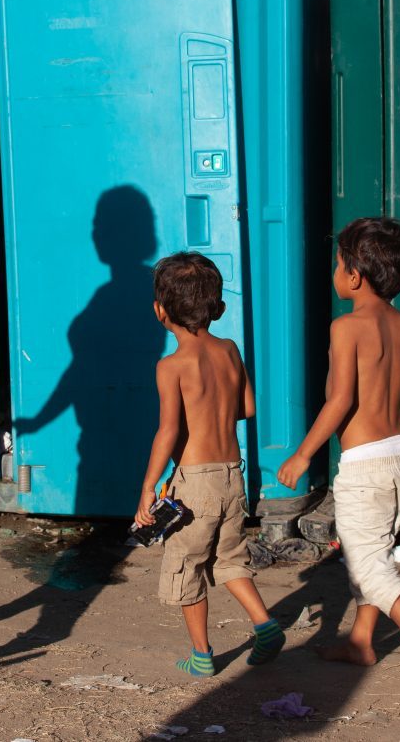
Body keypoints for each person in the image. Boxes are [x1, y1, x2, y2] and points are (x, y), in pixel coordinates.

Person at [277, 217, 400, 689]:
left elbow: (341, 400)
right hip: (396, 454)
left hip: (365, 463)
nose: (335, 271)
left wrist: (303, 454)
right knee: (374, 554)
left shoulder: (347, 327)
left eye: (337, 263)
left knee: (366, 561)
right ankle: (361, 642)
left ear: (354, 276)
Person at [134, 252, 284, 676]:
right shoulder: (230, 350)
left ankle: (202, 656)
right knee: (230, 557)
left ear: (160, 311)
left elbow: (167, 432)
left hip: (195, 482)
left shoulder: (171, 366)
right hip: (232, 475)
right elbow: (248, 407)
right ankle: (265, 624)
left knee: (187, 564)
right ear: (217, 308)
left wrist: (149, 487)